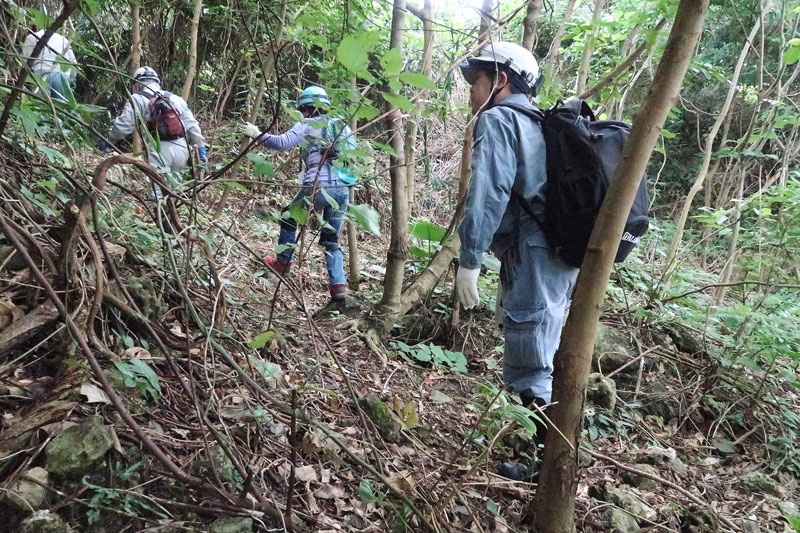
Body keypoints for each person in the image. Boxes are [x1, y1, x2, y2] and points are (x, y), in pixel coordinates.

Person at [456, 42, 579, 481]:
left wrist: (469, 258)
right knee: (543, 353)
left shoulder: (501, 119)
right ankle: (546, 463)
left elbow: (488, 193)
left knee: (531, 362)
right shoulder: (540, 123)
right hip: (558, 257)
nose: (472, 91)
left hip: (533, 254)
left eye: (477, 81)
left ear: (501, 80)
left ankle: (548, 474)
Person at [241, 85, 355, 302]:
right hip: (343, 190)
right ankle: (339, 286)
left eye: (303, 110)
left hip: (318, 186)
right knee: (331, 240)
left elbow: (282, 143)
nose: (302, 114)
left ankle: (283, 263)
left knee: (288, 217)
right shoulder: (343, 127)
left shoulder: (308, 124)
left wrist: (257, 134)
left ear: (307, 108)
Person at [103, 66, 207, 173]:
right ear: (157, 82)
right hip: (182, 150)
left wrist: (109, 141)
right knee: (174, 187)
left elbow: (122, 128)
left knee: (157, 189)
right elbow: (193, 127)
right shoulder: (176, 99)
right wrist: (201, 150)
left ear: (137, 85)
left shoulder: (137, 98)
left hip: (158, 150)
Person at [21, 27, 78, 102]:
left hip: (41, 74)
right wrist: (72, 81)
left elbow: (25, 60)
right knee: (61, 106)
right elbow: (73, 62)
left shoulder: (32, 37)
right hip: (62, 75)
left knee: (40, 105)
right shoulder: (63, 39)